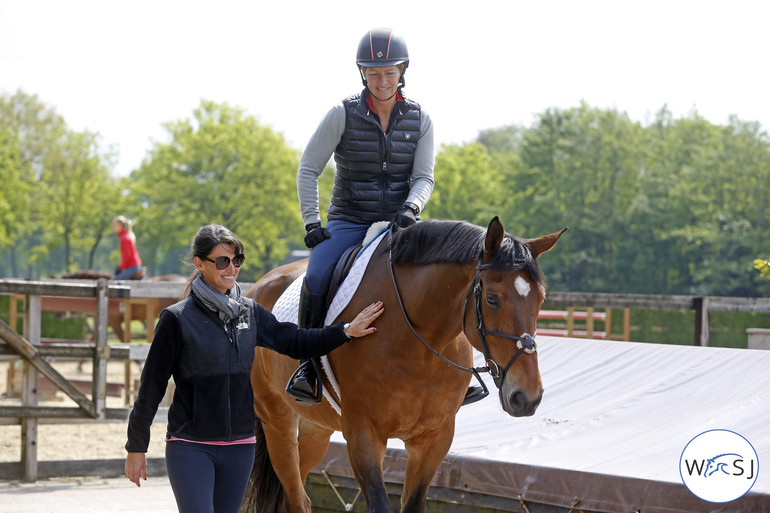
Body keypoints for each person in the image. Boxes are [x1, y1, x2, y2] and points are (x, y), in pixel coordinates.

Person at [124, 224, 383, 513]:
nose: (231, 268)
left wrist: (345, 331)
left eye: (237, 260)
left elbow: (296, 341)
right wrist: (136, 447)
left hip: (241, 448)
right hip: (191, 446)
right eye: (222, 261)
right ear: (199, 263)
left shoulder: (250, 312)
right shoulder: (176, 319)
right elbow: (151, 388)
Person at [287, 27, 438, 404]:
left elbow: (423, 177)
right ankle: (307, 366)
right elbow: (308, 169)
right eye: (373, 73)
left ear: (402, 71)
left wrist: (411, 208)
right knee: (318, 272)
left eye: (389, 72)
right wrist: (311, 222)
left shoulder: (421, 119)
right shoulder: (342, 113)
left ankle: (454, 367)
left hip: (402, 223)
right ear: (362, 74)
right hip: (349, 220)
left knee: (449, 273)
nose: (382, 80)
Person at [112, 215, 143, 280]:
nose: (113, 227)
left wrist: (120, 267)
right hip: (133, 266)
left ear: (120, 225)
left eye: (114, 224)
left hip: (133, 266)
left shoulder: (124, 238)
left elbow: (127, 256)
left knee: (117, 281)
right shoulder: (125, 236)